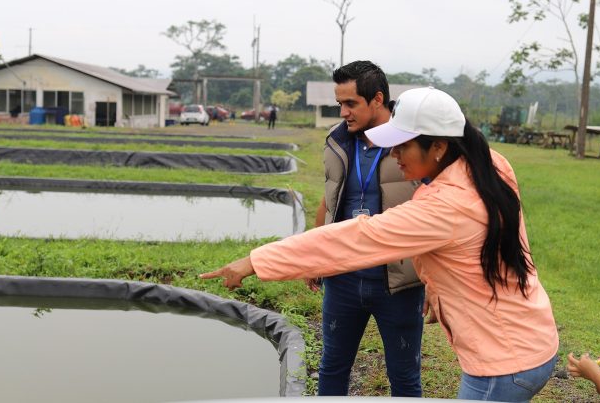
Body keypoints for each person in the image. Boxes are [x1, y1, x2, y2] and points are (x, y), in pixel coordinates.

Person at [202, 87, 560, 401]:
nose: (393, 154)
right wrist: (440, 289)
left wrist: (256, 261)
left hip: (503, 364)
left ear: (438, 146)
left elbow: (356, 239)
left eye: (403, 145)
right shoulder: (488, 165)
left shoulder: (445, 206)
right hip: (531, 337)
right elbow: (478, 247)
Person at [304, 60, 424, 397]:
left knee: (404, 377)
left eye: (351, 103)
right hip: (342, 278)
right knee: (331, 367)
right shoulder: (337, 140)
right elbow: (329, 199)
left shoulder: (413, 142)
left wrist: (438, 279)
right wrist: (313, 254)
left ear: (378, 99)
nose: (343, 112)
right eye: (339, 104)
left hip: (398, 283)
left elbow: (435, 212)